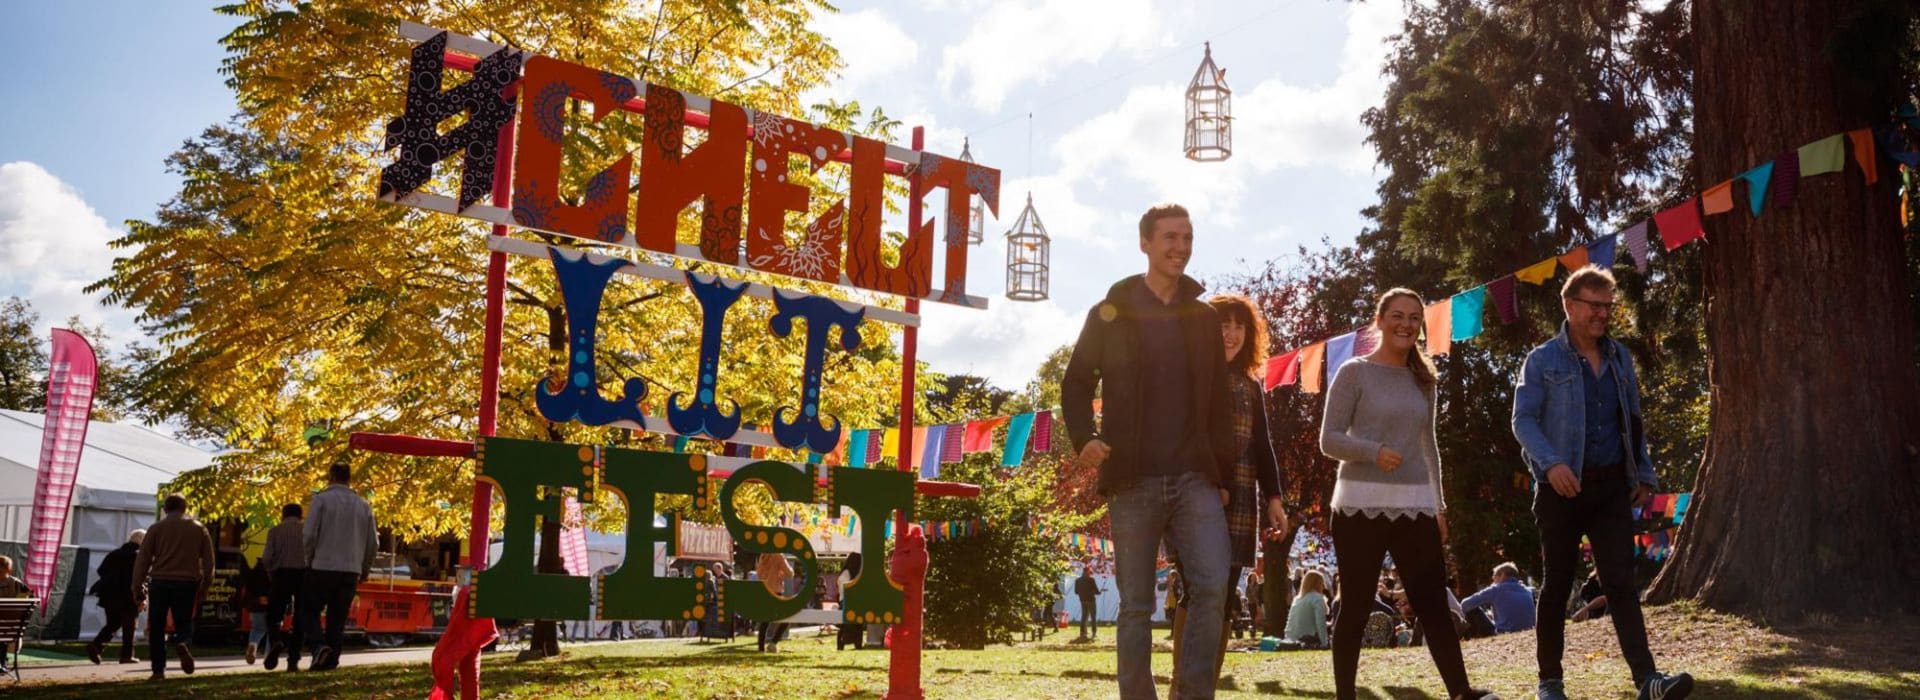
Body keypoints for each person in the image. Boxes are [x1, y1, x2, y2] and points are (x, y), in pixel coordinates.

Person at [1063, 202, 1237, 700]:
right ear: (1145, 242)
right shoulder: (1110, 312)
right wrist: (1085, 437)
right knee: (1137, 605)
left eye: (1187, 238)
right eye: (1170, 238)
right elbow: (1076, 382)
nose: (1180, 247)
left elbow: (1218, 405)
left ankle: (1192, 695)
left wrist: (1220, 477)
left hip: (1195, 478)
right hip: (1132, 478)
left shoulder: (1203, 318)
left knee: (1211, 588)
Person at [1513, 265, 1693, 700]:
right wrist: (1552, 464)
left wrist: (1644, 473)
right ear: (1570, 306)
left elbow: (1632, 420)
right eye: (1594, 306)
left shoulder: (1620, 358)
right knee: (1556, 585)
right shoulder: (1542, 360)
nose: (1603, 314)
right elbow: (1523, 421)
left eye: (1608, 307)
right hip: (1560, 490)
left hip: (1612, 487)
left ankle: (1648, 681)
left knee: (1621, 584)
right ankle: (1550, 684)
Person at [1320, 288, 1496, 700]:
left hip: (1415, 508)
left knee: (1433, 602)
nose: (1405, 324)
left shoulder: (1423, 378)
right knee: (1357, 605)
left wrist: (1439, 505)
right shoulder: (1353, 372)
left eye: (1414, 318)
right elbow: (1328, 440)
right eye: (1397, 316)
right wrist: (1372, 452)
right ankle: (1345, 694)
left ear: (1420, 326)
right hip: (1357, 507)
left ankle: (1461, 692)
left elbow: (1428, 447)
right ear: (1379, 320)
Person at [1198, 293, 1289, 670]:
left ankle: (1204, 689)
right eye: (1224, 325)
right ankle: (1181, 688)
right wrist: (1212, 481)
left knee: (1223, 593)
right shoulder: (1194, 377)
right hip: (1199, 492)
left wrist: (1274, 499)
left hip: (1241, 499)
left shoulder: (1252, 386)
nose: (1231, 334)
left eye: (1239, 326)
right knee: (1199, 589)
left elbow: (1263, 445)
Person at [295, 459, 378, 672]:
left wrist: (309, 558)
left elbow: (309, 534)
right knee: (337, 618)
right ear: (349, 479)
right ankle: (331, 661)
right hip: (351, 569)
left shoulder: (321, 500)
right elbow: (373, 543)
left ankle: (318, 645)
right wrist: (365, 567)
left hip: (322, 565)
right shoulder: (363, 506)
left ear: (330, 476)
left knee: (307, 610)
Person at [131, 493, 216, 680]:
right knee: (184, 621)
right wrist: (205, 586)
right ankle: (182, 641)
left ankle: (158, 670)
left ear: (165, 509)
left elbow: (143, 560)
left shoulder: (155, 529)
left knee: (157, 626)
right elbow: (209, 562)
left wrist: (137, 586)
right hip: (187, 582)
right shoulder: (199, 529)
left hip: (160, 581)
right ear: (185, 508)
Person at [87, 529, 144, 665]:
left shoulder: (114, 553)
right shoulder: (138, 556)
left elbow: (101, 570)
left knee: (112, 623)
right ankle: (126, 656)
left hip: (109, 595)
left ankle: (96, 646)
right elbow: (140, 578)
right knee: (130, 626)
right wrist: (142, 597)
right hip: (128, 595)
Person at [261, 502, 306, 671]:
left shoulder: (275, 531)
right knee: (300, 618)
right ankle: (293, 660)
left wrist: (271, 573)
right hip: (303, 575)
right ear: (300, 515)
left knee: (273, 615)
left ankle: (276, 640)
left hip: (281, 575)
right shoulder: (307, 531)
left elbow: (266, 558)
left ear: (283, 514)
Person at [1460, 562, 1537, 635]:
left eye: (1494, 577)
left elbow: (1465, 604)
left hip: (1505, 631)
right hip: (1528, 628)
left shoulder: (1496, 589)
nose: (1493, 581)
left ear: (1502, 575)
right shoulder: (1527, 590)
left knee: (1472, 609)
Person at [755, 552, 794, 652]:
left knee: (765, 621)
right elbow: (789, 573)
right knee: (788, 616)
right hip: (775, 591)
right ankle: (773, 642)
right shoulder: (778, 555)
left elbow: (759, 573)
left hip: (764, 591)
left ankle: (761, 648)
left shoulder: (763, 555)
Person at [1284, 569, 1330, 648]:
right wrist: (1324, 643)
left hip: (1291, 638)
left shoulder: (1297, 599)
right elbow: (1320, 622)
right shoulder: (1317, 598)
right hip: (1306, 638)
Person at [0, 555, 28, 676]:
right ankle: (2, 663)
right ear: (9, 569)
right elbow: (27, 603)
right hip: (11, 630)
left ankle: (1, 662)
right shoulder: (17, 584)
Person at [241, 557, 272, 664]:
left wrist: (256, 600)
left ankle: (253, 645)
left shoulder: (254, 572)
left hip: (257, 606)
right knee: (273, 631)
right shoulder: (276, 571)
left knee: (257, 629)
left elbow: (248, 591)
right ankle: (268, 656)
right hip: (273, 605)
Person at [836, 553, 866, 650]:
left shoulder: (852, 574)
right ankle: (845, 641)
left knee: (857, 623)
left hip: (853, 601)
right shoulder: (846, 573)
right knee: (849, 624)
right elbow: (844, 589)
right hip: (846, 602)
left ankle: (857, 643)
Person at [1074, 564, 1103, 640]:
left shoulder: (1077, 580)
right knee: (1093, 617)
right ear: (1088, 572)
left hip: (1082, 600)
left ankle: (1082, 632)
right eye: (1090, 571)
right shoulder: (1091, 580)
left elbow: (1076, 592)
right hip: (1091, 600)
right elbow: (1096, 591)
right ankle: (1094, 632)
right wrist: (1099, 592)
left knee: (1084, 616)